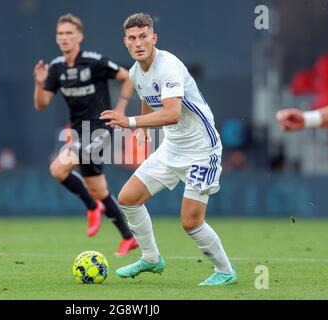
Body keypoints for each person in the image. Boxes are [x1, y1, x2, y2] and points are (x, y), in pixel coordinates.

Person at [100, 13, 237, 285]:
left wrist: (129, 122)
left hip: (201, 150)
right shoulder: (136, 72)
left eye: (143, 36)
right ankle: (151, 259)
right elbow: (149, 102)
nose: (138, 42)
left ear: (154, 38)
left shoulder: (169, 66)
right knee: (128, 198)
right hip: (171, 147)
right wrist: (142, 131)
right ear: (125, 42)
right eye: (132, 38)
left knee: (191, 222)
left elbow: (172, 113)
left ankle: (225, 271)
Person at [33, 14, 138, 256]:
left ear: (80, 36)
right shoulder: (57, 68)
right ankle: (128, 237)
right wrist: (39, 84)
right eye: (60, 34)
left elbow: (127, 77)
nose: (64, 38)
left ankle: (93, 208)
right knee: (100, 190)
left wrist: (121, 108)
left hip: (100, 130)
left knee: (58, 169)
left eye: (69, 33)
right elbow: (41, 104)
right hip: (80, 133)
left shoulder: (94, 62)